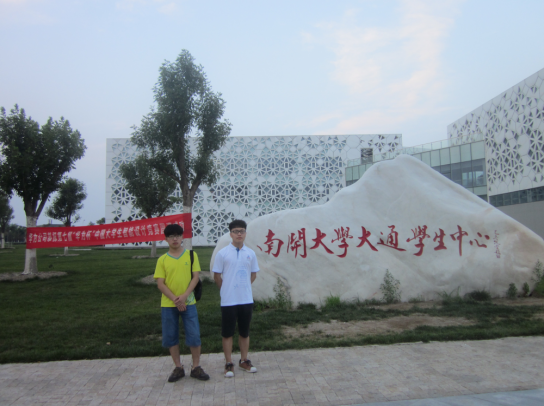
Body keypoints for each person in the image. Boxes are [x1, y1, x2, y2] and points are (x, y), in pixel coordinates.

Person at [154, 223, 209, 382]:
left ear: (182, 237)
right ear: (166, 239)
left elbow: (195, 277)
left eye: (178, 235)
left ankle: (196, 367)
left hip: (189, 302)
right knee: (171, 336)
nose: (175, 239)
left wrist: (184, 296)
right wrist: (176, 300)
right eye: (171, 236)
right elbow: (160, 284)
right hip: (168, 305)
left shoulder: (191, 255)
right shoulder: (162, 260)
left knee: (194, 335)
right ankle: (178, 367)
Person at [212, 219, 260, 378]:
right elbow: (217, 276)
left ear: (245, 233)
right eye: (236, 231)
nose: (239, 234)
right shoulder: (223, 253)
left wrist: (243, 286)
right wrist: (226, 289)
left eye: (242, 231)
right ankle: (228, 363)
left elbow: (253, 274)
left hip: (246, 299)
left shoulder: (250, 253)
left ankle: (244, 360)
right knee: (227, 333)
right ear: (230, 234)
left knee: (244, 332)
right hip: (229, 300)